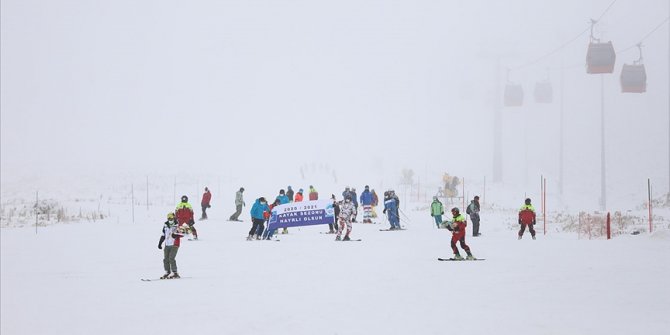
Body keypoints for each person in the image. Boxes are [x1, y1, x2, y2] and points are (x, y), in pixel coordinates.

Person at [158, 212, 184, 279]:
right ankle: (167, 272)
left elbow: (183, 234)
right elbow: (163, 235)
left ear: (174, 217)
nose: (170, 219)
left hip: (174, 244)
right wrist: (160, 243)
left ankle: (175, 273)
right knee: (166, 259)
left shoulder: (177, 224)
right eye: (169, 218)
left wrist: (176, 235)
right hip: (167, 244)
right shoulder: (165, 225)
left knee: (171, 258)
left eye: (171, 218)